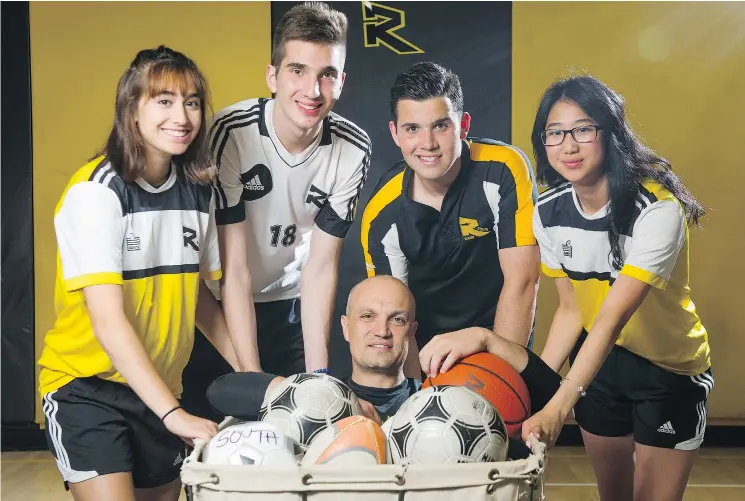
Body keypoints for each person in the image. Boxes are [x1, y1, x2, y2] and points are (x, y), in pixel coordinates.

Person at [37, 46, 228, 501]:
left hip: (161, 387)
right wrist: (172, 415)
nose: (181, 116)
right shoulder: (96, 192)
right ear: (132, 110)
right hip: (87, 390)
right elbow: (107, 320)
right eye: (164, 101)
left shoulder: (198, 193)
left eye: (192, 101)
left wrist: (256, 376)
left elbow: (200, 299)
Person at [181, 1, 371, 421]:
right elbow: (234, 270)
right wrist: (251, 377)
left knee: (298, 437)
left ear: (342, 81)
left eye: (327, 74)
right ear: (272, 75)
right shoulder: (230, 132)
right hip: (219, 309)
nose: (313, 90)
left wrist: (319, 375)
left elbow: (320, 268)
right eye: (297, 71)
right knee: (211, 448)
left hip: (289, 306)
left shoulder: (353, 148)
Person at [524, 75, 711, 501]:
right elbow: (571, 311)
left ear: (611, 133)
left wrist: (560, 403)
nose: (568, 146)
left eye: (583, 129)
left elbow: (611, 317)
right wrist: (537, 390)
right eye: (555, 133)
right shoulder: (547, 211)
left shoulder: (657, 210)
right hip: (601, 367)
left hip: (668, 370)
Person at [359, 61, 540, 376]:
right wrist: (419, 394)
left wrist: (497, 376)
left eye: (441, 125)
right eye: (412, 128)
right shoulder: (381, 216)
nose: (428, 143)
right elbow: (395, 319)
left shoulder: (503, 169)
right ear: (395, 133)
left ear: (463, 125)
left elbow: (523, 281)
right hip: (429, 348)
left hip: (499, 333)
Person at [206, 275, 421, 423]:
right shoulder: (316, 397)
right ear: (346, 327)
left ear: (412, 331)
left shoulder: (432, 397)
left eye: (397, 319)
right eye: (367, 316)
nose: (382, 330)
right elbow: (220, 392)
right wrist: (328, 398)